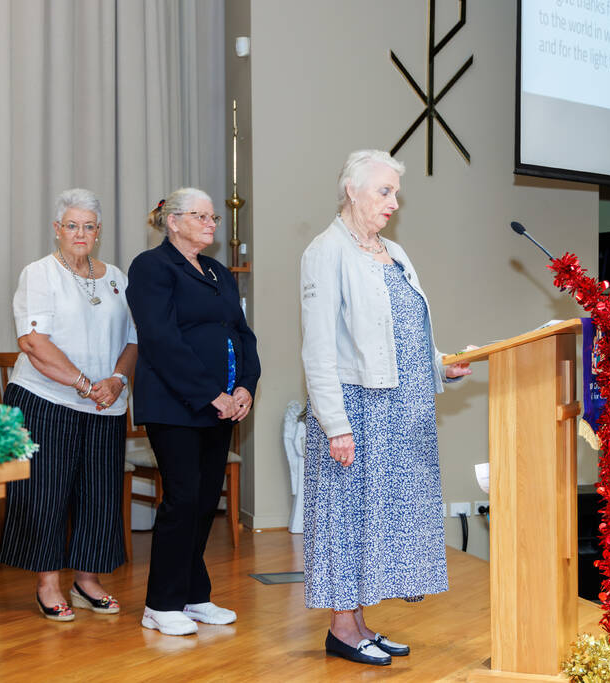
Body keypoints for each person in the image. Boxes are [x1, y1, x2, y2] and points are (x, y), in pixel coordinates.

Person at [299, 150, 473, 666]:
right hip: (358, 407)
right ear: (352, 191)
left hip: (403, 409)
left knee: (376, 519)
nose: (394, 202)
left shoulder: (392, 252)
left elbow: (407, 333)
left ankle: (358, 624)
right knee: (347, 516)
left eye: (395, 193)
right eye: (384, 191)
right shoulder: (325, 251)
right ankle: (341, 630)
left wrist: (441, 365)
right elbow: (318, 348)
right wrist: (335, 424)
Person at [0, 188, 138, 622]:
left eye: (89, 226)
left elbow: (134, 338)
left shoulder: (115, 275)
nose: (81, 233)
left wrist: (116, 380)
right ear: (57, 229)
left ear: (98, 232)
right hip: (46, 398)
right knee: (45, 494)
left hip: (105, 403)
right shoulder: (39, 273)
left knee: (100, 496)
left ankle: (88, 580)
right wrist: (83, 383)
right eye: (72, 225)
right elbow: (32, 342)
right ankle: (48, 584)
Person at [126, 188, 260, 636]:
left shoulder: (219, 273)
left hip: (220, 405)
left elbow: (243, 334)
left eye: (213, 217)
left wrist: (244, 386)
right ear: (173, 221)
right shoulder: (152, 267)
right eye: (200, 216)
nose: (210, 223)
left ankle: (193, 594)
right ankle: (160, 603)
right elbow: (160, 339)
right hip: (175, 403)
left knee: (205, 502)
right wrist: (210, 394)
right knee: (183, 499)